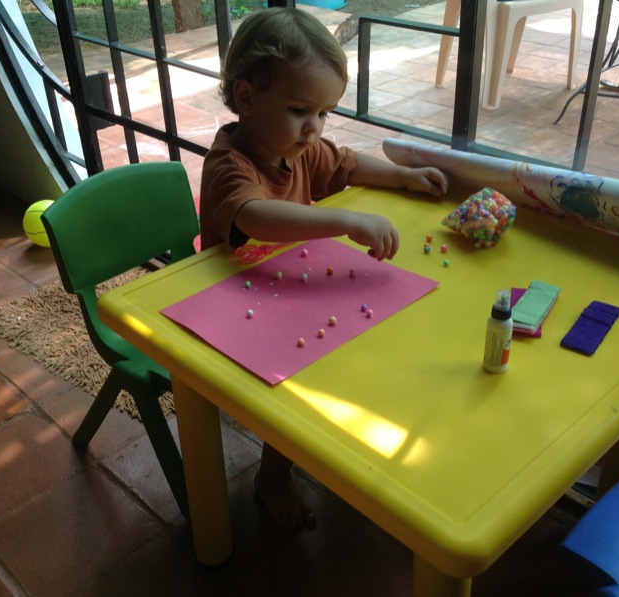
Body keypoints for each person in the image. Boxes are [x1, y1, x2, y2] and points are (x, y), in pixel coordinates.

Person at [199, 7, 449, 527]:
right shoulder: (230, 163)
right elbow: (256, 216)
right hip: (231, 299)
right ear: (246, 98)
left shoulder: (297, 146)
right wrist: (343, 220)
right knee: (298, 381)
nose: (314, 128)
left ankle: (337, 440)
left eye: (325, 113)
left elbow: (349, 163)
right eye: (300, 110)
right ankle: (272, 476)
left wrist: (403, 177)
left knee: (366, 335)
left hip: (284, 287)